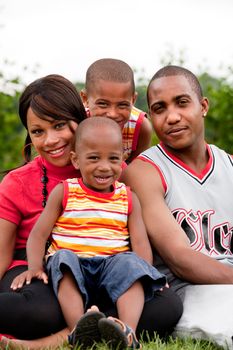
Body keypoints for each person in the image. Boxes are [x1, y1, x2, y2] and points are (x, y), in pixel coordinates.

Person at [0, 72, 182, 350]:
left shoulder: (110, 173)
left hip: (108, 266)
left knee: (166, 306)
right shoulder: (18, 182)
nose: (51, 140)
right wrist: (32, 270)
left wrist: (145, 274)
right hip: (44, 272)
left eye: (59, 125)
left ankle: (87, 331)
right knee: (41, 309)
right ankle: (76, 329)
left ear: (79, 118)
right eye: (38, 131)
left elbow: (136, 236)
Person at [121, 65, 233, 348]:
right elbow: (180, 259)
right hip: (187, 291)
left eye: (182, 102)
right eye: (159, 108)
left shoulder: (229, 165)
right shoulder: (145, 171)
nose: (172, 117)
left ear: (203, 106)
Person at [81, 58, 153, 163]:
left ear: (133, 100)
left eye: (122, 105)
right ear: (85, 99)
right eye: (103, 104)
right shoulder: (78, 121)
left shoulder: (140, 127)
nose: (112, 114)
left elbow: (137, 168)